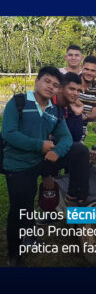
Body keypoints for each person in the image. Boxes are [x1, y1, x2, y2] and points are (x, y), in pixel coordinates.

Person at [1, 67, 73, 266]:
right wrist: (40, 145)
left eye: (56, 85)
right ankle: (14, 253)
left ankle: (31, 234)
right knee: (19, 208)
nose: (51, 87)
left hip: (38, 164)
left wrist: (57, 152)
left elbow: (66, 137)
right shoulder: (18, 103)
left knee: (78, 152)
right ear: (37, 81)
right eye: (47, 81)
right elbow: (9, 133)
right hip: (17, 165)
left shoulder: (54, 111)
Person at [43, 72, 90, 206]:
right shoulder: (48, 103)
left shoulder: (67, 107)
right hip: (39, 150)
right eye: (72, 89)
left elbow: (74, 137)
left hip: (56, 148)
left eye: (78, 90)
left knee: (80, 150)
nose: (76, 93)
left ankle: (76, 194)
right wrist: (48, 174)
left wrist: (77, 114)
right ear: (61, 89)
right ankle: (49, 209)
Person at [79, 56, 96, 141]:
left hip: (80, 134)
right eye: (86, 69)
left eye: (93, 70)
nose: (89, 73)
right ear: (81, 67)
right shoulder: (72, 81)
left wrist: (84, 116)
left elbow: (94, 114)